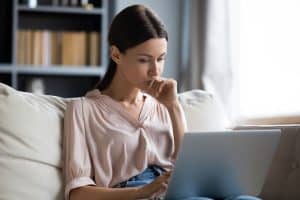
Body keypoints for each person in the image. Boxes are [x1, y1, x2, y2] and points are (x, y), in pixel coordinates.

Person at [63, 4, 262, 200]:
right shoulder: (82, 109)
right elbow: (78, 193)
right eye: (144, 60)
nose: (155, 71)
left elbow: (190, 168)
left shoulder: (163, 104)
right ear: (116, 54)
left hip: (176, 192)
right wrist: (142, 192)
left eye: (161, 59)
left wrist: (173, 107)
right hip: (133, 194)